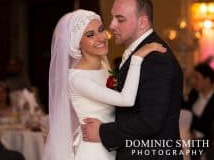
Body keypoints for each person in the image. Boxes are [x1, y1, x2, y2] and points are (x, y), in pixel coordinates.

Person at [43, 9, 166, 160]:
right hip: (93, 151)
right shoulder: (77, 78)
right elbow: (125, 99)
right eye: (90, 35)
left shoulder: (104, 67)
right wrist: (137, 57)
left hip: (111, 144)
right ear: (77, 42)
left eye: (101, 30)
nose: (101, 37)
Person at [81, 0, 183, 160]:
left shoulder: (156, 58)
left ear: (142, 22)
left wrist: (103, 132)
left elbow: (150, 121)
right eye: (112, 17)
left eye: (120, 19)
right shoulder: (140, 53)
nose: (112, 25)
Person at [182, 62, 214, 160]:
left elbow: (210, 127)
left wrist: (196, 134)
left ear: (207, 80)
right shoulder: (193, 94)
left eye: (197, 78)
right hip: (188, 136)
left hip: (206, 142)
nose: (193, 82)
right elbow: (185, 112)